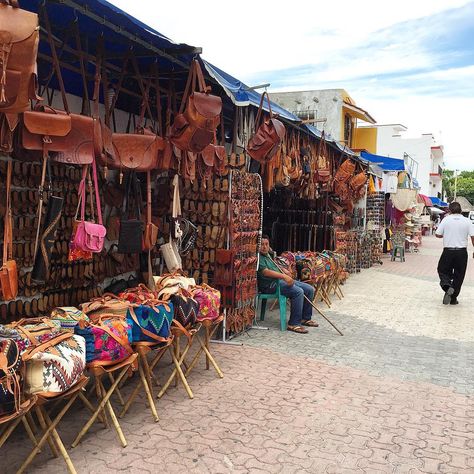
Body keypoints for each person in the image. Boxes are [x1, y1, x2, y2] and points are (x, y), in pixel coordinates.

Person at [257, 235, 318, 334]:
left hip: (280, 281)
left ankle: (305, 318)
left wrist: (285, 270)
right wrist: (284, 276)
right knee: (298, 292)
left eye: (266, 244)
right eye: (262, 245)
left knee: (309, 289)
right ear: (258, 246)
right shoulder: (259, 257)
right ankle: (293, 323)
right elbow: (266, 272)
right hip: (270, 285)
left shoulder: (268, 256)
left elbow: (275, 266)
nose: (264, 247)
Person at [435, 202, 474, 305]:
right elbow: (473, 237)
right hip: (462, 252)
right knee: (459, 275)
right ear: (460, 210)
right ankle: (453, 298)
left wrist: (447, 234)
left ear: (450, 210)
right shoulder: (467, 221)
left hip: (448, 251)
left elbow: (437, 234)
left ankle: (447, 287)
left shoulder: (446, 220)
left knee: (442, 270)